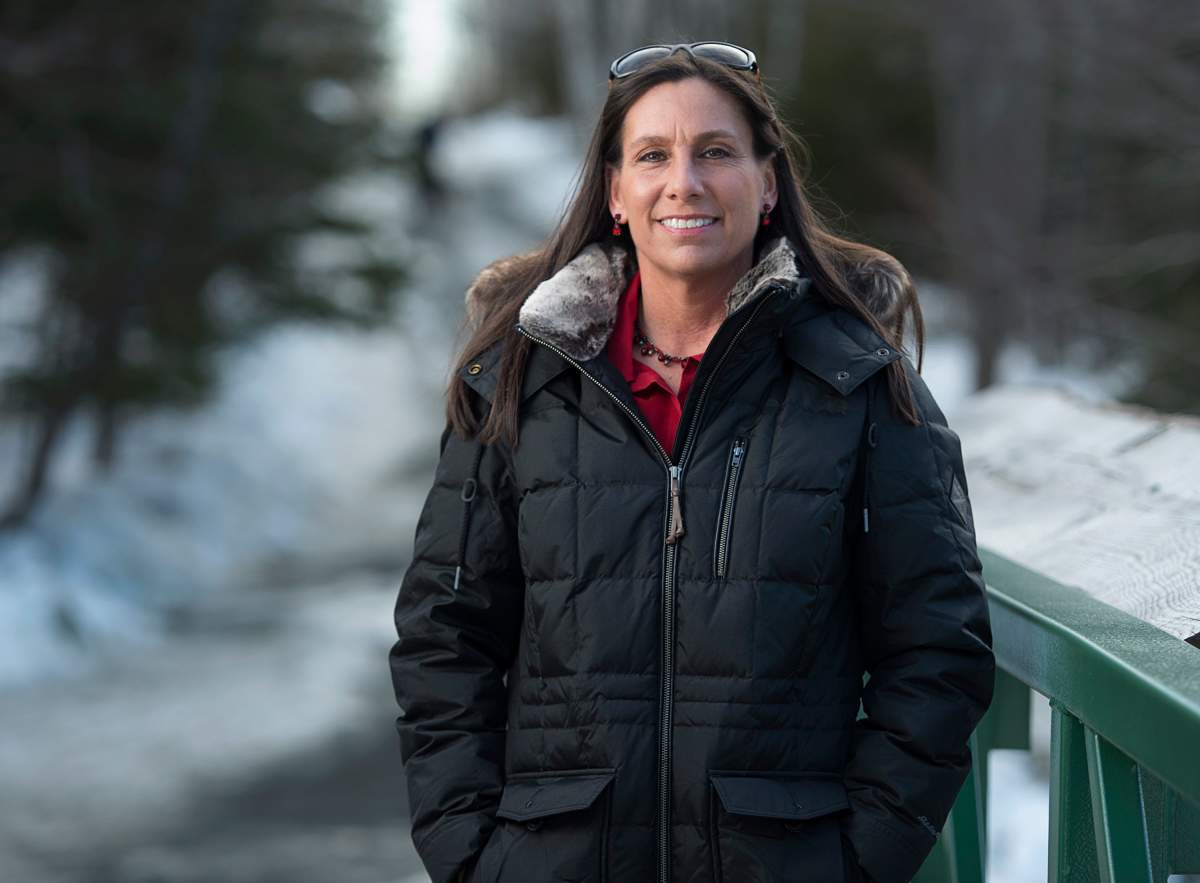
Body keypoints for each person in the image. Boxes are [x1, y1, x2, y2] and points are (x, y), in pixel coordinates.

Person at [390, 41, 995, 883]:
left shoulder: (860, 388)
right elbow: (442, 639)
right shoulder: (519, 385)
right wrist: (473, 859)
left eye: (717, 151)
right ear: (615, 192)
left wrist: (858, 861)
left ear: (768, 182)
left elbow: (939, 648)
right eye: (653, 155)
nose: (686, 181)